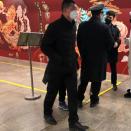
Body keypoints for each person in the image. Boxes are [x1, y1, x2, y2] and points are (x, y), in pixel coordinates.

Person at [41, 0, 89, 130]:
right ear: (66, 10)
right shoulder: (54, 26)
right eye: (74, 10)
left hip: (70, 67)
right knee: (52, 92)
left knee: (73, 95)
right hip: (57, 68)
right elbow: (44, 46)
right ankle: (47, 113)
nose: (76, 12)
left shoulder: (73, 25)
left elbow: (70, 45)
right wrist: (57, 58)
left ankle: (73, 122)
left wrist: (74, 56)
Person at [77, 4, 114, 108]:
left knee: (84, 80)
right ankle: (94, 100)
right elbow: (110, 44)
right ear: (100, 14)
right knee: (96, 80)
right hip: (99, 59)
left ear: (92, 14)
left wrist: (82, 54)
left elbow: (78, 41)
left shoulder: (82, 25)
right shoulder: (104, 27)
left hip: (86, 58)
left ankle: (79, 99)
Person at [105, 10, 121, 91]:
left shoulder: (116, 29)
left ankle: (114, 83)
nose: (108, 18)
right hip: (103, 52)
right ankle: (95, 86)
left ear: (113, 18)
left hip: (112, 52)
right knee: (99, 70)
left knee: (113, 69)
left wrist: (117, 43)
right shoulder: (101, 26)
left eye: (110, 17)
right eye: (107, 16)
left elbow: (119, 38)